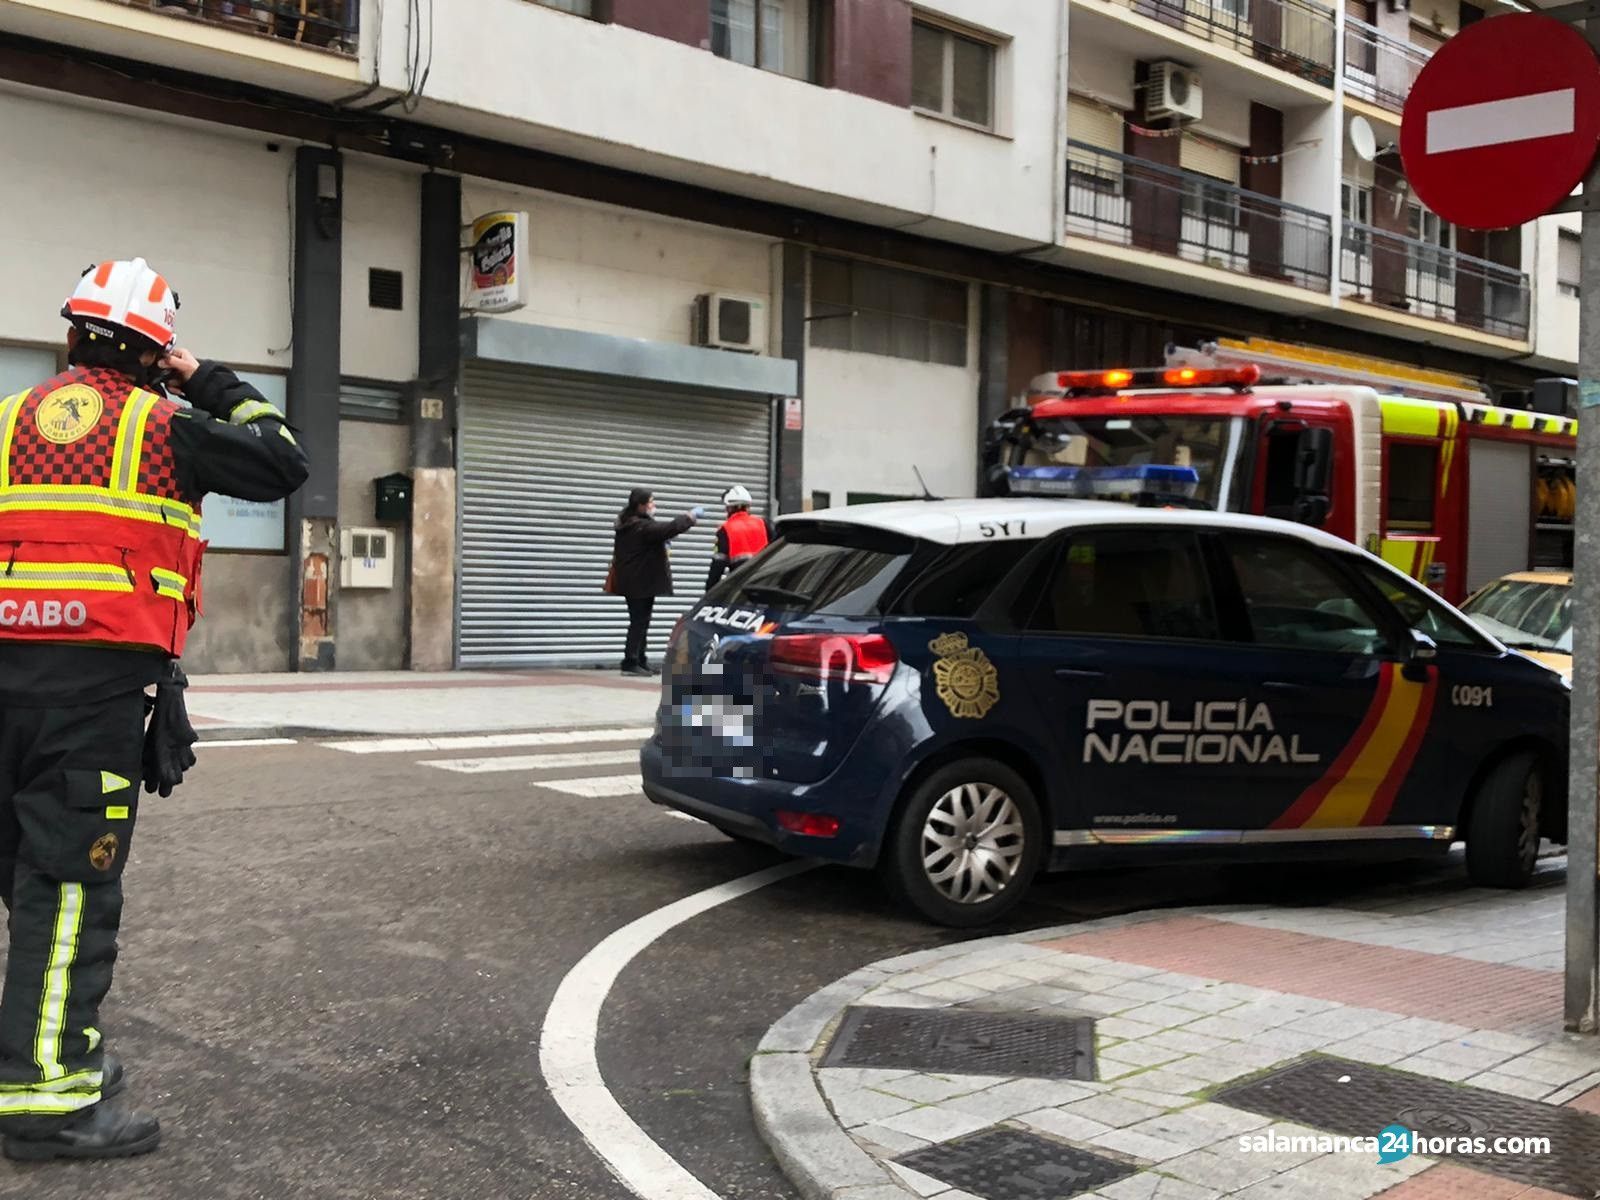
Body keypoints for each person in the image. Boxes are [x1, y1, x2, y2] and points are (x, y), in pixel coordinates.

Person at [0, 259, 309, 1162]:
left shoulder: (8, 419)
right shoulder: (166, 426)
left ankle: (42, 1057)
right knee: (66, 893)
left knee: (21, 880)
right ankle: (48, 1102)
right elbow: (284, 459)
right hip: (89, 700)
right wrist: (206, 378)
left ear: (71, 336)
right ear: (154, 353)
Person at [612, 488, 701, 676]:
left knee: (642, 621)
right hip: (638, 581)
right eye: (651, 502)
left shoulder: (632, 523)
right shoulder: (638, 526)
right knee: (638, 622)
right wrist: (689, 517)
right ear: (640, 505)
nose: (654, 505)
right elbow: (668, 529)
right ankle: (630, 662)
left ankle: (640, 659)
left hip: (638, 580)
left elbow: (660, 533)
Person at [705, 484, 776, 590]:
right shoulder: (764, 524)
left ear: (729, 508)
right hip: (766, 584)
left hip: (740, 587)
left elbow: (718, 565)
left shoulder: (725, 529)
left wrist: (710, 590)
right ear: (747, 507)